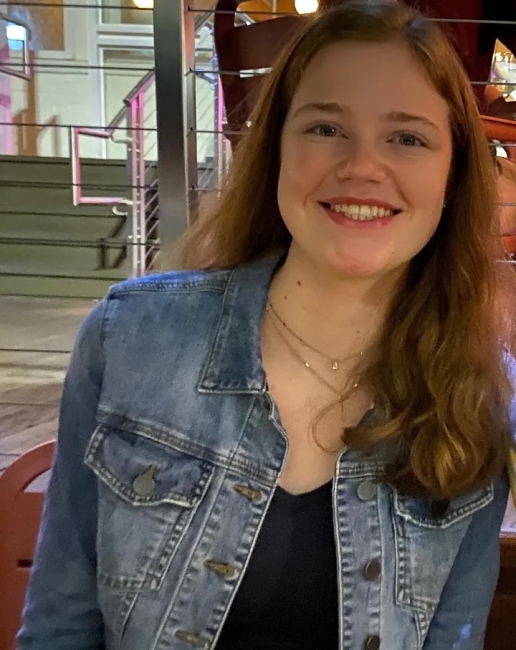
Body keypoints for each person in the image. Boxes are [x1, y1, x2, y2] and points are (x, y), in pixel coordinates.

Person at [17, 1, 516, 649]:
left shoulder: (474, 401)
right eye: (326, 129)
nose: (363, 166)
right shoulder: (131, 338)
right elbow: (60, 626)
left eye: (408, 137)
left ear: (451, 176)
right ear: (275, 148)